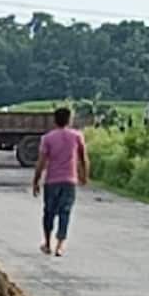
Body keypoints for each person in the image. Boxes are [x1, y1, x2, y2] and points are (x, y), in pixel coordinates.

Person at [31, 105, 89, 257]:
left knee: (49, 212)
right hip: (70, 180)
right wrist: (84, 175)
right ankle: (60, 245)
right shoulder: (77, 136)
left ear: (54, 121)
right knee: (65, 212)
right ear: (69, 120)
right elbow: (83, 158)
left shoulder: (47, 138)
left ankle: (47, 243)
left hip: (52, 181)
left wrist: (36, 180)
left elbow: (41, 162)